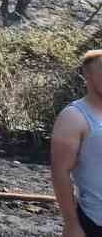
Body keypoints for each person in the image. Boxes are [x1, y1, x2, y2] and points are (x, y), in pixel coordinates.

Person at [53, 50, 102, 236]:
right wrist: (71, 224)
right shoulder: (73, 117)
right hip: (95, 222)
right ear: (88, 76)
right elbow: (60, 172)